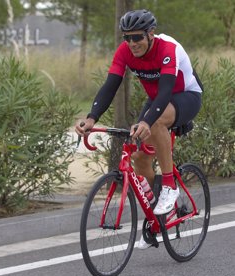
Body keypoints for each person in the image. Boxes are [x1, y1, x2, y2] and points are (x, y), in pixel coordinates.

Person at [75, 9, 203, 247]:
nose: (132, 43)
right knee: (140, 159)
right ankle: (160, 216)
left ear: (150, 33)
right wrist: (92, 117)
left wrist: (147, 121)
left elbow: (166, 91)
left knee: (153, 123)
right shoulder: (125, 51)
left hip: (186, 95)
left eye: (137, 37)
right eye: (127, 37)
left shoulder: (167, 48)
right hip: (158, 102)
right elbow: (110, 86)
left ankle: (169, 185)